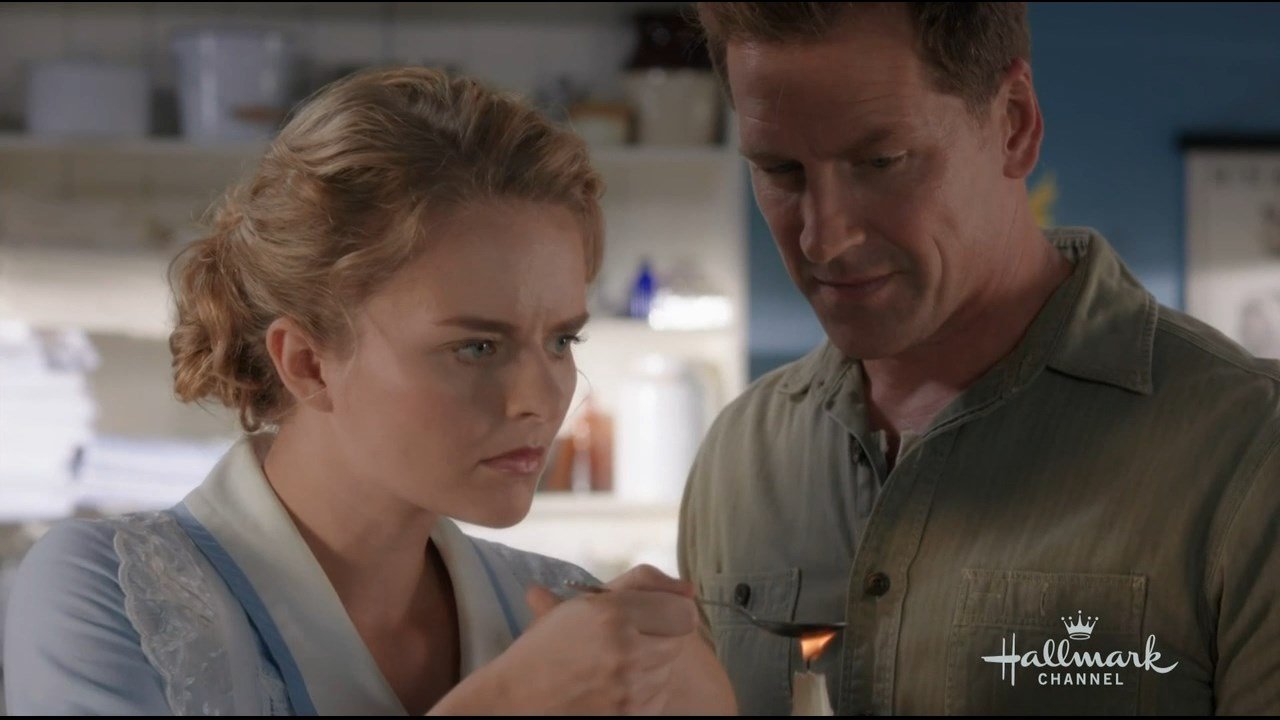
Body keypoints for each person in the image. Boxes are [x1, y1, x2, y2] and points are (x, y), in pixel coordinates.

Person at [4, 67, 736, 716]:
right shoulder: (110, 594)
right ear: (307, 363)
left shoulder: (564, 619)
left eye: (561, 341)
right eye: (476, 347)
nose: (541, 400)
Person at [678, 2, 1280, 715]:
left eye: (880, 162)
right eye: (781, 170)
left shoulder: (1250, 451)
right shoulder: (738, 458)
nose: (823, 240)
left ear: (1014, 123)